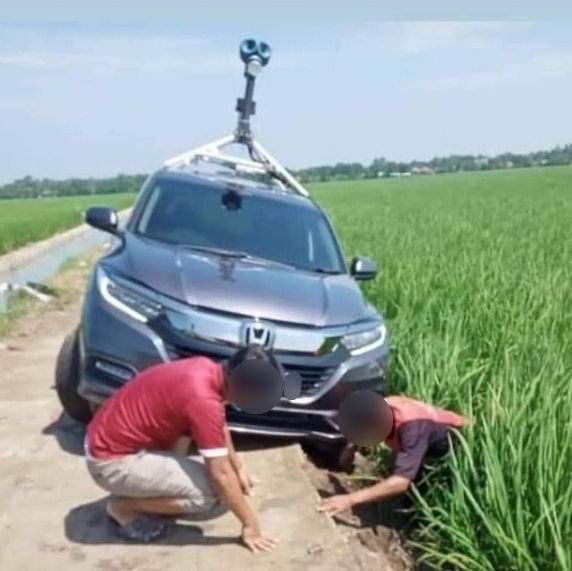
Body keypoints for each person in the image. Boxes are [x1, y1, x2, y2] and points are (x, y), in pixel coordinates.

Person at [85, 346, 279, 552]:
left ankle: (147, 489)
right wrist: (251, 526)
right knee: (210, 494)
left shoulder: (206, 368)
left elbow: (218, 424)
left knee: (191, 438)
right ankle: (124, 508)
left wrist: (238, 467)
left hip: (108, 440)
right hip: (110, 463)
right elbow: (220, 474)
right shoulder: (203, 400)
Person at [318, 393, 467, 516]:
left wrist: (350, 500)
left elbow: (400, 482)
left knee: (411, 482)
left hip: (463, 445)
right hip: (428, 437)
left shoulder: (412, 430)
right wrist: (349, 452)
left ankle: (416, 516)